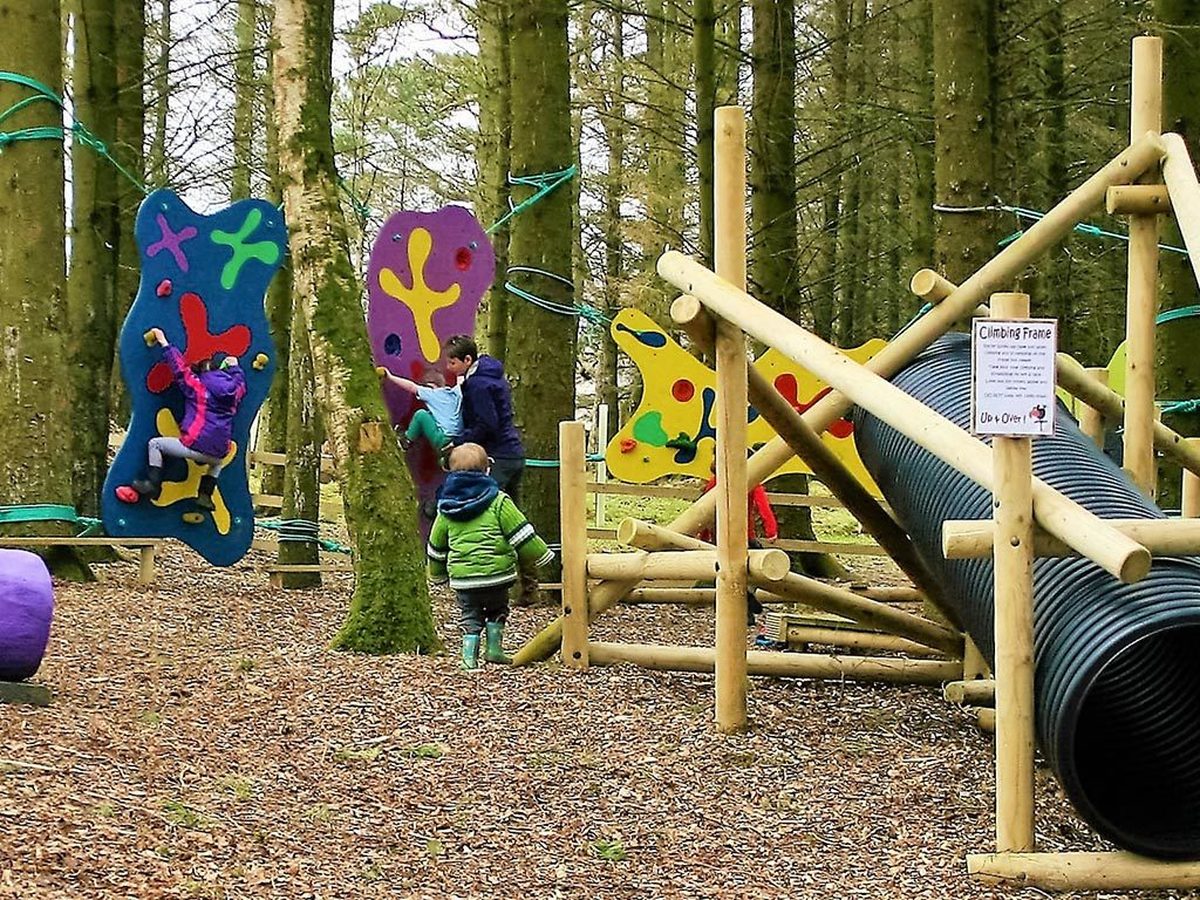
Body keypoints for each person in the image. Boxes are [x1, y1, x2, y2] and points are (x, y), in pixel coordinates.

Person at [426, 443, 554, 670]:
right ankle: (494, 649)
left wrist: (437, 574)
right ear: (487, 470)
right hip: (496, 576)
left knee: (470, 614)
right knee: (498, 609)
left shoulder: (446, 508)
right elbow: (521, 532)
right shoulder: (498, 501)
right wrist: (542, 554)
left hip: (464, 578)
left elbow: (436, 545)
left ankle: (468, 659)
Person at [117, 327, 246, 511]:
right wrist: (235, 366)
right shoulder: (234, 392)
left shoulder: (199, 387)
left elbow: (179, 369)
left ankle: (153, 484)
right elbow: (240, 382)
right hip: (218, 453)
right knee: (216, 463)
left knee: (155, 444)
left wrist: (164, 342)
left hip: (195, 445)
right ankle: (205, 495)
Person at [696, 457, 779, 632]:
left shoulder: (714, 483)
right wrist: (771, 530)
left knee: (729, 574)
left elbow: (706, 513)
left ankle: (745, 605)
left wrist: (703, 536)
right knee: (757, 568)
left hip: (720, 538)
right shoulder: (750, 481)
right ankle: (748, 597)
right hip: (744, 536)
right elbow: (763, 506)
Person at [441, 334, 525, 501]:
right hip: (512, 454)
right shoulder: (489, 377)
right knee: (509, 508)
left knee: (485, 504)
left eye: (452, 363)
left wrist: (458, 442)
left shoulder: (478, 385)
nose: (449, 368)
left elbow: (486, 424)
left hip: (499, 454)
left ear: (467, 360)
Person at [377, 366, 462, 458]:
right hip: (458, 439)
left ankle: (406, 440)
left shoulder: (432, 393)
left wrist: (390, 377)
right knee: (432, 414)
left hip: (442, 439)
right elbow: (461, 381)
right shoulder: (456, 394)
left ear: (432, 386)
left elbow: (411, 386)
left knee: (421, 414)